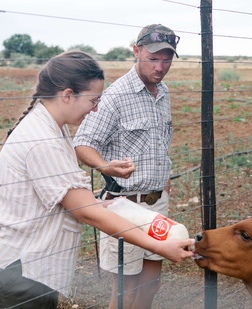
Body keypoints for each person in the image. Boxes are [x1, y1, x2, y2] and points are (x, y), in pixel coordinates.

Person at [0, 50, 193, 309]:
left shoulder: (51, 127)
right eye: (93, 100)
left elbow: (77, 203)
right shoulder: (43, 140)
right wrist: (160, 247)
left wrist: (112, 206)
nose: (95, 109)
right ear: (67, 95)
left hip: (19, 269)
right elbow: (87, 212)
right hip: (14, 273)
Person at [73, 24, 179, 309]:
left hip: (157, 203)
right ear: (136, 51)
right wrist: (105, 167)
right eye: (153, 58)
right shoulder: (115, 96)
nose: (160, 66)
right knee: (125, 294)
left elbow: (161, 143)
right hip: (125, 206)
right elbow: (82, 143)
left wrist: (164, 185)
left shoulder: (163, 92)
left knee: (151, 285)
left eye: (166, 59)